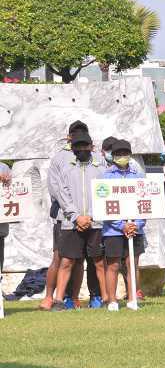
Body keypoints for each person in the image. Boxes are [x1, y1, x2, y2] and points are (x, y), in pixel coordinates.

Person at [50, 128, 104, 312]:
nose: (82, 149)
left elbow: (104, 193)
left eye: (85, 145)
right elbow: (61, 193)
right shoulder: (65, 167)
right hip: (70, 222)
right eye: (78, 146)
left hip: (95, 222)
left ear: (91, 146)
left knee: (97, 261)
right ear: (72, 147)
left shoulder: (100, 167)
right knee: (67, 261)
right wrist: (76, 217)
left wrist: (91, 216)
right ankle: (59, 300)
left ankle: (103, 298)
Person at [100, 139, 146, 311]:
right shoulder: (105, 176)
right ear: (113, 156)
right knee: (112, 265)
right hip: (113, 230)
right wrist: (121, 225)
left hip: (135, 228)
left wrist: (137, 224)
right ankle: (112, 301)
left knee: (132, 264)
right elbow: (103, 206)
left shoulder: (138, 176)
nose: (121, 157)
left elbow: (145, 203)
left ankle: (133, 298)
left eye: (125, 154)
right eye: (118, 154)